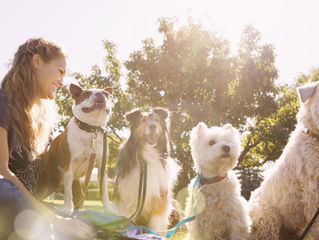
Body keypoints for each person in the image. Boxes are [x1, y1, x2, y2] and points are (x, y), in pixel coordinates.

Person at [0, 38, 93, 239]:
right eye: (60, 71)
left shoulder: (43, 122)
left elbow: (46, 180)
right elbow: (2, 171)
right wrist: (53, 220)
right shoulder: (2, 102)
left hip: (31, 209)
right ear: (36, 61)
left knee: (89, 219)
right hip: (9, 204)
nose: (62, 81)